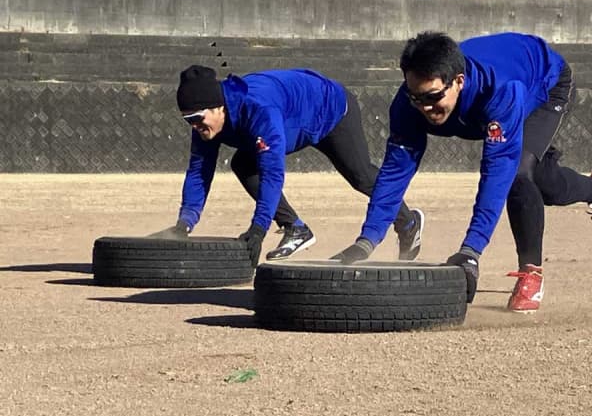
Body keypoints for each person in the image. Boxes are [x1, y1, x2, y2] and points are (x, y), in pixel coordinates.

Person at [333, 31, 592, 313]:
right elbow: (395, 172)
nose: (424, 107)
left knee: (519, 173)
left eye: (433, 97)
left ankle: (531, 272)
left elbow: (495, 174)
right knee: (543, 181)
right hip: (502, 90)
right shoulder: (408, 103)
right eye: (416, 97)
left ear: (458, 81)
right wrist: (366, 242)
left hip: (543, 83)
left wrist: (471, 252)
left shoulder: (500, 90)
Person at [151, 65, 424, 266]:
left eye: (197, 118)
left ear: (218, 107)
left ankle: (409, 222)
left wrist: (258, 228)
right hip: (294, 118)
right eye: (188, 120)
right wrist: (184, 224)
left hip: (331, 109)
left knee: (361, 176)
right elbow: (199, 171)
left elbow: (272, 173)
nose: (194, 126)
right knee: (243, 163)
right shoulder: (206, 124)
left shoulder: (259, 110)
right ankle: (296, 228)